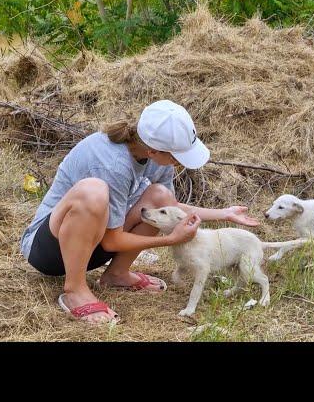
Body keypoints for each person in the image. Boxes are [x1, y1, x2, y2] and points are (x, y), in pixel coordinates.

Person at [19, 100, 259, 325]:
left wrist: (225, 214)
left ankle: (117, 274)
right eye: (177, 157)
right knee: (93, 191)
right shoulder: (112, 162)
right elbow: (113, 241)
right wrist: (170, 240)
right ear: (154, 151)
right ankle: (75, 290)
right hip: (51, 249)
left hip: (94, 242)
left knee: (160, 196)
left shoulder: (151, 155)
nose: (179, 163)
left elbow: (170, 209)